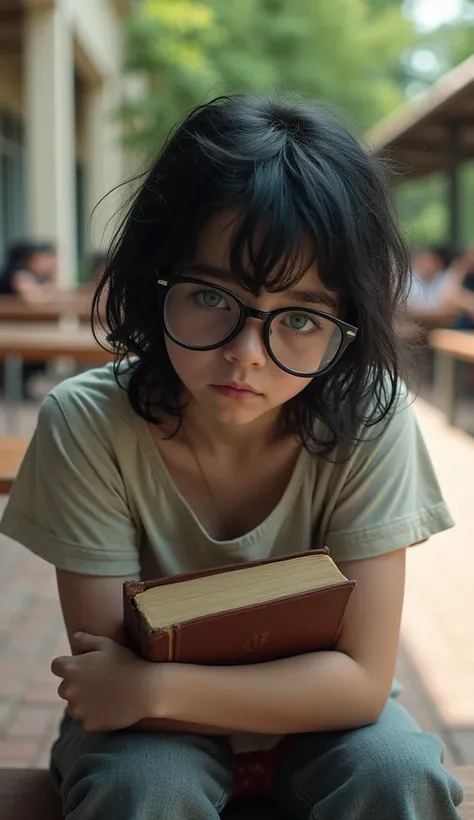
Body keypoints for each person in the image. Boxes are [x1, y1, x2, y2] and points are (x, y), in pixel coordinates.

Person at [0, 95, 464, 820]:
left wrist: (156, 687)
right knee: (146, 789)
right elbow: (101, 680)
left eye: (302, 318)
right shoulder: (89, 423)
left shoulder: (369, 417)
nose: (246, 354)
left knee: (398, 773)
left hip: (305, 719)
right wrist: (136, 695)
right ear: (157, 279)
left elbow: (363, 684)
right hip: (151, 741)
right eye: (212, 296)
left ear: (348, 323)